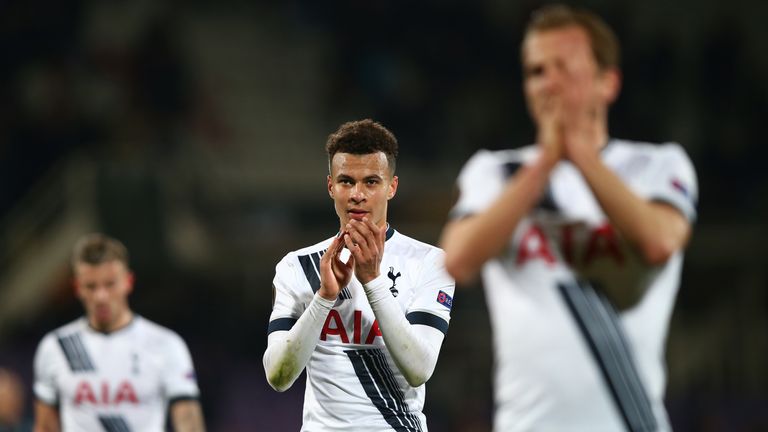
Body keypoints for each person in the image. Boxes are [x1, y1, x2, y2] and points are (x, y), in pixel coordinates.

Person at [440, 4, 697, 432]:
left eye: (565, 67)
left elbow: (660, 242)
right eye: (536, 71)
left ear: (607, 82)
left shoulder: (657, 165)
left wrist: (578, 153)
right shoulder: (495, 171)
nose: (548, 82)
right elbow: (458, 259)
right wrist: (544, 164)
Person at [264, 119, 455, 431]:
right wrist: (324, 298)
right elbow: (278, 376)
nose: (357, 194)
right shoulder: (297, 266)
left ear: (391, 187)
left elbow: (419, 369)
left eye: (371, 182)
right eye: (346, 181)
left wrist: (372, 281)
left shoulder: (430, 262)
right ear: (330, 187)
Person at [32, 234, 206, 432]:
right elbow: (45, 427)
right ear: (77, 288)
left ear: (128, 282)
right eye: (91, 286)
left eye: (110, 284)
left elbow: (189, 422)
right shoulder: (55, 347)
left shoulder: (165, 345)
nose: (101, 296)